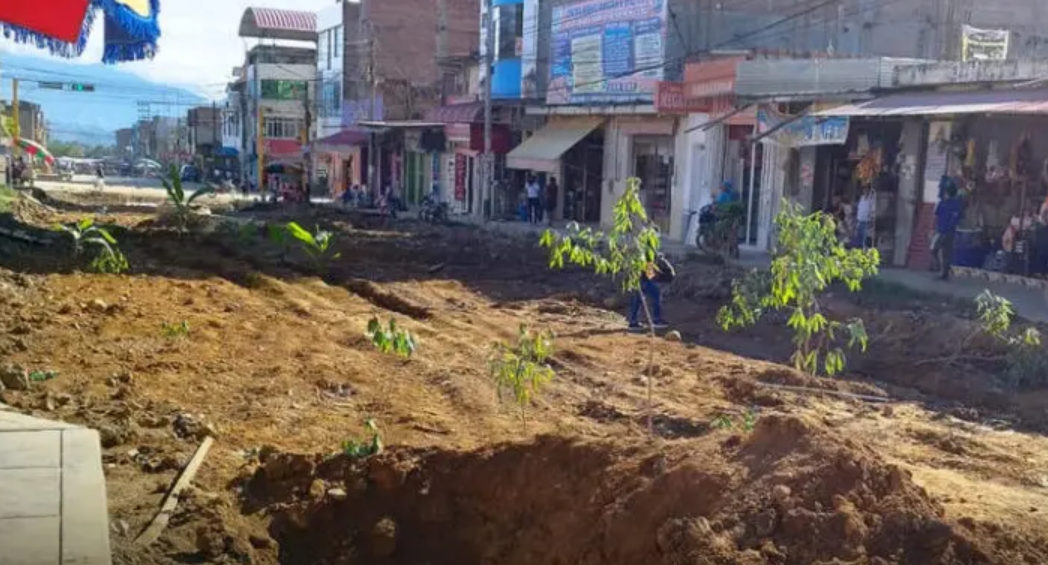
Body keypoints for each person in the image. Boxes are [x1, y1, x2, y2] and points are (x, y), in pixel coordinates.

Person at [628, 251, 673, 331]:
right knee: (656, 298)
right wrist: (657, 278)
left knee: (637, 301)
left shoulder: (641, 256)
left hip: (639, 280)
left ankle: (633, 322)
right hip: (645, 281)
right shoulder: (649, 257)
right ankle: (657, 320)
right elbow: (650, 274)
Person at [932, 183, 964, 280]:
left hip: (944, 231)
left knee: (936, 250)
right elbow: (959, 218)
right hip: (947, 231)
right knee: (944, 252)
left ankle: (942, 271)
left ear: (947, 192)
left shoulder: (946, 203)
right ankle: (943, 271)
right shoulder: (951, 203)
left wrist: (934, 228)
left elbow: (936, 216)